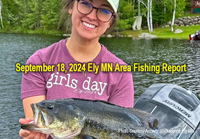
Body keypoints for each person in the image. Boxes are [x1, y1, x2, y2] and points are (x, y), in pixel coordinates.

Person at [19, 0, 134, 139]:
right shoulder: (38, 62)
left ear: (110, 22)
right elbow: (39, 124)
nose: (92, 16)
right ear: (71, 6)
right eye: (85, 3)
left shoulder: (121, 73)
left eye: (104, 11)